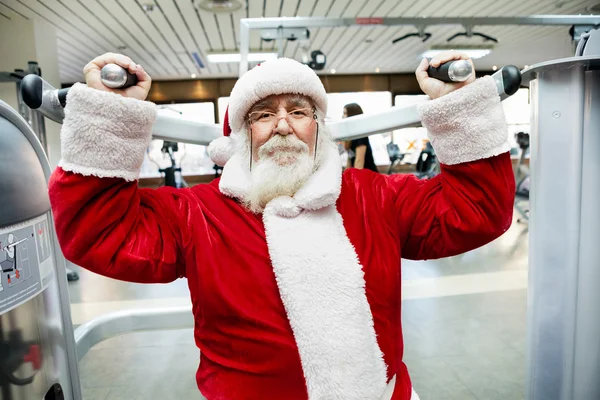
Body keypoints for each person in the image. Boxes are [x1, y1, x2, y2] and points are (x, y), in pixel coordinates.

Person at [48, 51, 515, 400]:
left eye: (298, 111)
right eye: (264, 115)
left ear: (318, 126)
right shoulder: (198, 212)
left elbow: (477, 210)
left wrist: (460, 107)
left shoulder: (375, 195)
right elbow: (96, 231)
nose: (283, 125)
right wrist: (109, 117)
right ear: (242, 133)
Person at [342, 103, 379, 172]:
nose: (342, 116)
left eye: (345, 113)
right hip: (360, 175)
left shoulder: (361, 136)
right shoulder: (351, 136)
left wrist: (355, 181)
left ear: (352, 115)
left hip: (368, 177)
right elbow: (350, 159)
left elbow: (359, 162)